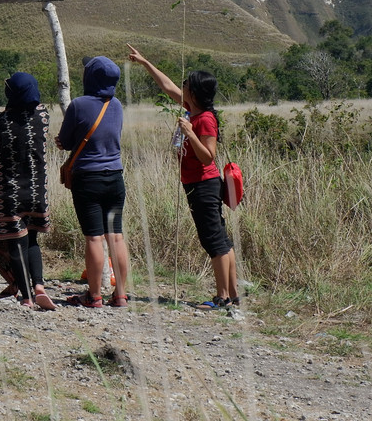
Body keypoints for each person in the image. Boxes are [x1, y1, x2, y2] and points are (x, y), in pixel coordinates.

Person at [127, 44, 238, 309]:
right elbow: (166, 86)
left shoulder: (204, 119)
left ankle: (222, 297)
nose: (182, 86)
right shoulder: (192, 109)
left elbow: (208, 156)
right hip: (196, 184)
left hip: (204, 184)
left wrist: (189, 133)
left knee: (214, 241)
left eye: (186, 84)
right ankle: (232, 295)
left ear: (195, 91)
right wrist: (145, 62)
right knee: (220, 238)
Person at [0, 72, 56, 310]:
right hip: (37, 193)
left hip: (7, 196)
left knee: (15, 244)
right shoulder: (42, 117)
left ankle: (27, 296)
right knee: (32, 239)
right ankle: (39, 286)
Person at [56, 55, 131, 308]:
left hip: (88, 178)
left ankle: (94, 295)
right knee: (116, 237)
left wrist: (62, 142)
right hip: (115, 177)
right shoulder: (117, 105)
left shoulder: (78, 105)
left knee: (93, 238)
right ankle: (120, 294)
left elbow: (66, 142)